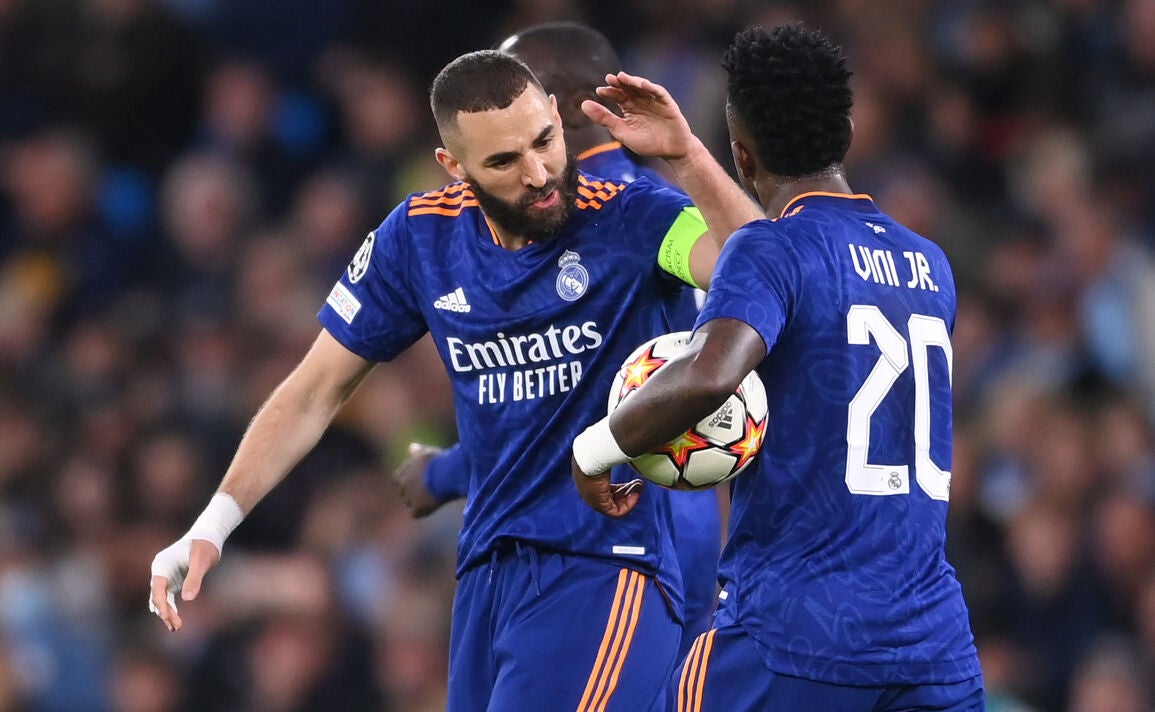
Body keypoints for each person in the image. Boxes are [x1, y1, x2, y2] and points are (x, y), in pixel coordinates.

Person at [148, 48, 763, 711]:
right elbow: (313, 390)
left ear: (557, 117)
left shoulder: (632, 215)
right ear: (454, 166)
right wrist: (212, 524)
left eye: (544, 141)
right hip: (485, 576)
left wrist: (687, 156)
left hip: (608, 567)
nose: (538, 173)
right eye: (503, 161)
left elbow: (764, 269)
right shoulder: (419, 239)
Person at [570, 24, 984, 710]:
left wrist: (593, 451)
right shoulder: (928, 263)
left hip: (793, 635)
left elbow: (710, 374)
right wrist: (686, 155)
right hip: (933, 647)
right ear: (847, 132)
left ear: (742, 153)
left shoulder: (773, 251)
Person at [396, 21, 723, 655]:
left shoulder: (600, 219)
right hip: (684, 510)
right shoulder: (662, 198)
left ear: (562, 106)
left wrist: (443, 473)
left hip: (615, 528)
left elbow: (551, 410)